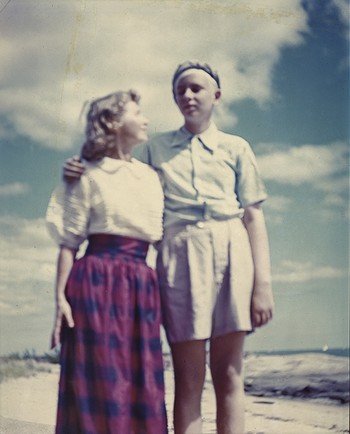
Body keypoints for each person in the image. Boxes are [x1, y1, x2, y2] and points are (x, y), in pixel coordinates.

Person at [63, 61, 275, 434]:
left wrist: (263, 285)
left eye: (197, 88)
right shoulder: (156, 148)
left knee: (229, 374)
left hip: (233, 250)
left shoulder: (237, 148)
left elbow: (253, 217)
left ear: (217, 96)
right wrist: (80, 166)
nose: (189, 95)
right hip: (179, 253)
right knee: (189, 378)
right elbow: (117, 165)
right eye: (181, 90)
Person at [46, 90, 167, 434]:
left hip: (141, 285)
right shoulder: (86, 174)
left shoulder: (150, 177)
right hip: (95, 282)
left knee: (140, 378)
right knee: (96, 378)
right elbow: (69, 243)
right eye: (137, 112)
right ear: (114, 122)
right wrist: (60, 300)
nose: (145, 119)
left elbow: (158, 238)